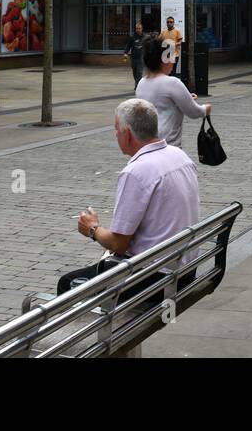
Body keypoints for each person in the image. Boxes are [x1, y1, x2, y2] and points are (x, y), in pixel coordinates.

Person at [59, 98, 200, 297]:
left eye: (116, 130)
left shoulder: (136, 172)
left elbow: (118, 243)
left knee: (68, 284)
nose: (116, 135)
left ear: (127, 134)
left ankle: (99, 328)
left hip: (155, 278)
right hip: (186, 268)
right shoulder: (180, 156)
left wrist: (92, 229)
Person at [135, 34, 208, 148]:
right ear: (164, 60)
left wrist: (186, 98)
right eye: (171, 57)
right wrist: (206, 108)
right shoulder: (172, 83)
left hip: (147, 145)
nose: (173, 62)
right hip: (168, 146)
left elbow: (160, 101)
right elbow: (194, 112)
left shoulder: (141, 83)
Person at [122, 21, 145, 86]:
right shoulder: (132, 37)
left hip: (141, 58)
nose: (138, 30)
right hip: (133, 58)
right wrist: (125, 53)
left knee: (139, 72)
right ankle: (137, 82)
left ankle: (138, 85)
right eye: (137, 28)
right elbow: (128, 46)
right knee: (135, 72)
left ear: (142, 28)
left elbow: (148, 46)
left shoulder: (145, 37)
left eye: (139, 28)